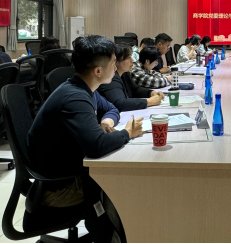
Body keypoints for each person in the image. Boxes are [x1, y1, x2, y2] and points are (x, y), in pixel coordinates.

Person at [27, 35, 144, 242]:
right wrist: (127, 133)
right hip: (59, 188)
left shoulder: (84, 87)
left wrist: (106, 121)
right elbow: (98, 146)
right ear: (98, 71)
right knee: (127, 185)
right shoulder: (75, 97)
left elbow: (112, 108)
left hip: (70, 172)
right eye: (113, 63)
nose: (115, 67)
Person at [98, 43, 165, 111]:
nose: (132, 60)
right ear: (116, 62)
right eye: (128, 58)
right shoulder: (111, 77)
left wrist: (151, 93)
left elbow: (136, 90)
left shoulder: (125, 73)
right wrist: (148, 102)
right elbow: (120, 103)